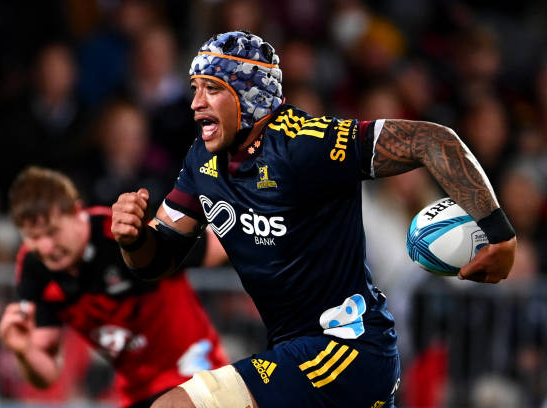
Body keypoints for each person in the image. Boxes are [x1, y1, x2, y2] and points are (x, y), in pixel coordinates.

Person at [110, 31, 517, 408]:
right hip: (302, 352)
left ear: (249, 93)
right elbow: (158, 261)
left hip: (346, 348)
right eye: (195, 88)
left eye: (212, 89)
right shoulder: (202, 161)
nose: (196, 102)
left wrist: (499, 236)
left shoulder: (306, 143)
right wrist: (132, 239)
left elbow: (432, 141)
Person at [0, 166, 230, 408]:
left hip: (195, 372)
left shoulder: (122, 233)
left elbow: (217, 246)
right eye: (34, 237)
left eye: (53, 232)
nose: (45, 247)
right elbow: (47, 375)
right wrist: (24, 351)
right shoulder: (34, 269)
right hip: (136, 392)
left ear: (78, 212)